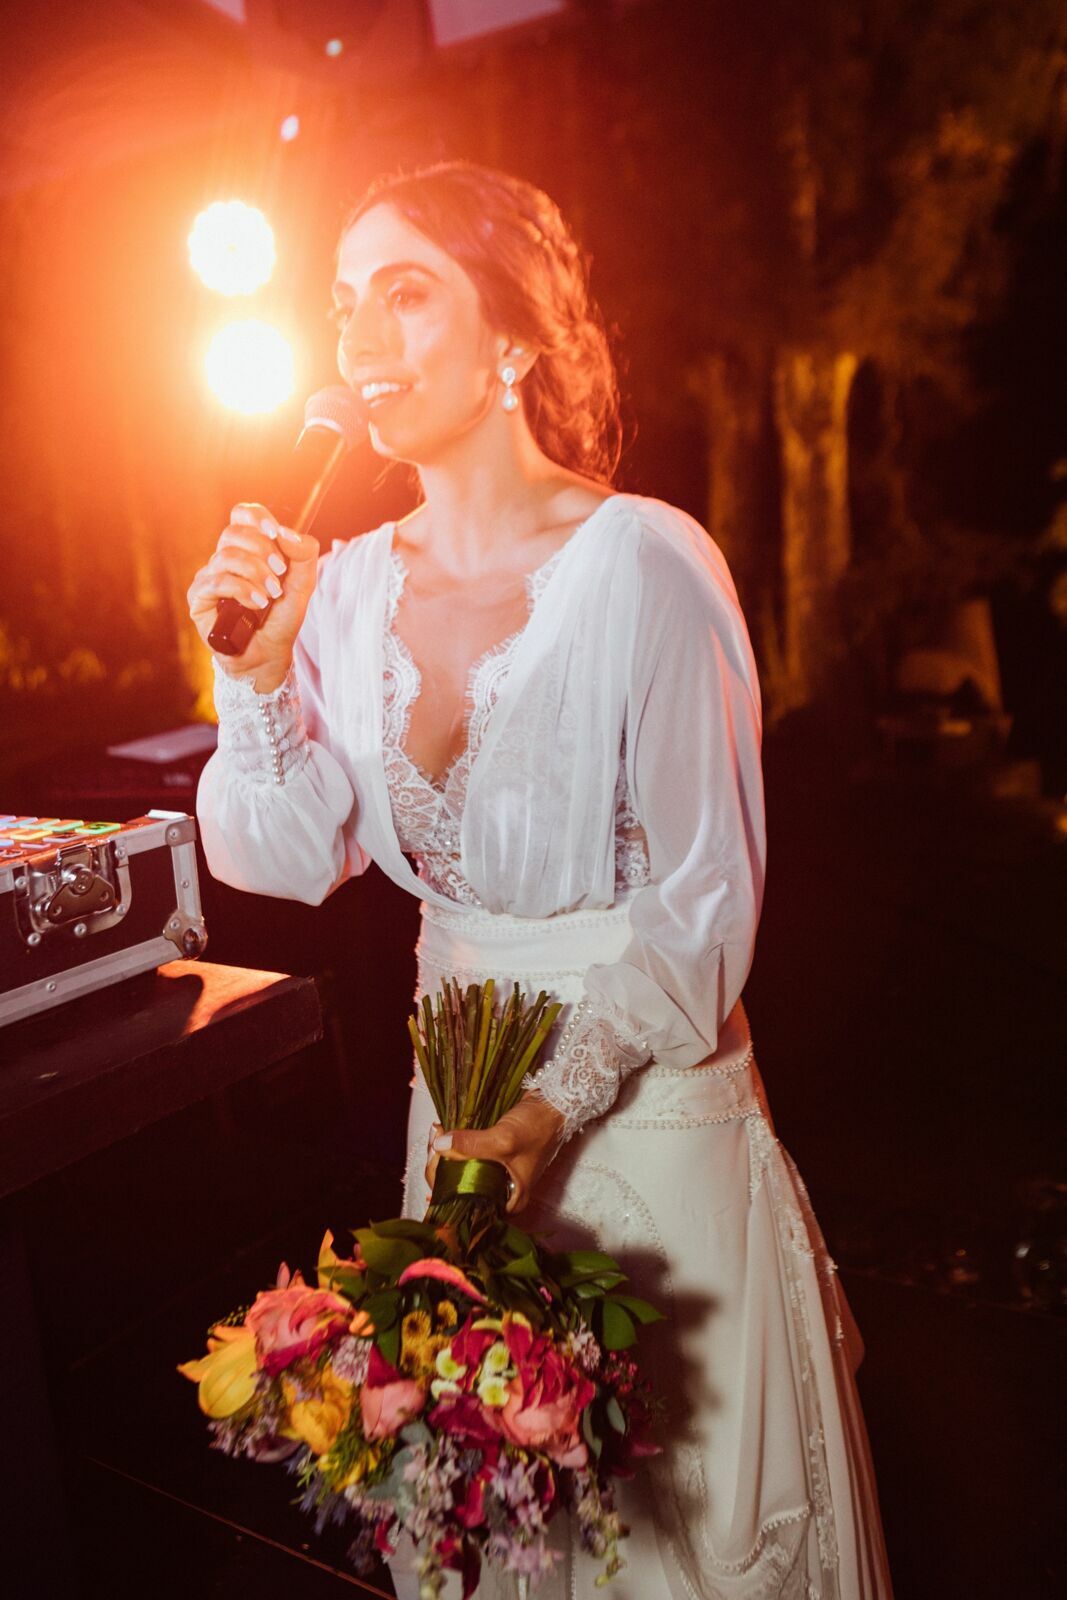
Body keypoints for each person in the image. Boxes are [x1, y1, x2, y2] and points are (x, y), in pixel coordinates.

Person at [189, 160, 894, 1600]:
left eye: (405, 292)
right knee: (504, 1539)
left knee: (677, 1550)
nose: (359, 338)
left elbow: (704, 908)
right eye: (342, 304)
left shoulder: (647, 565)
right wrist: (253, 680)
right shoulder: (350, 589)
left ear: (513, 338)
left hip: (642, 1128)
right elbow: (279, 855)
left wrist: (552, 1104)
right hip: (457, 1134)